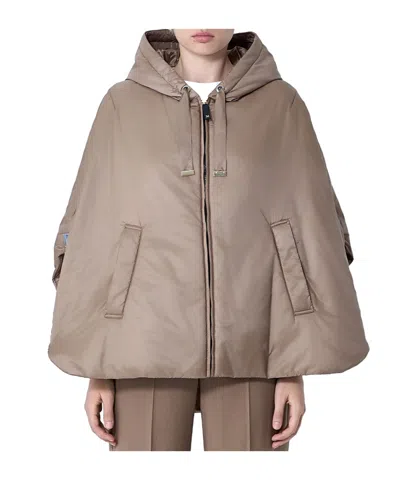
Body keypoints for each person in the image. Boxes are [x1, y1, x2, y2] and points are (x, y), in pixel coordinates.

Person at [48, 28, 369, 451]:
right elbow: (93, 231)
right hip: (143, 343)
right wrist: (100, 367)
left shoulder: (281, 104)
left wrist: (292, 367)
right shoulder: (121, 105)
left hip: (254, 343)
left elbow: (311, 226)